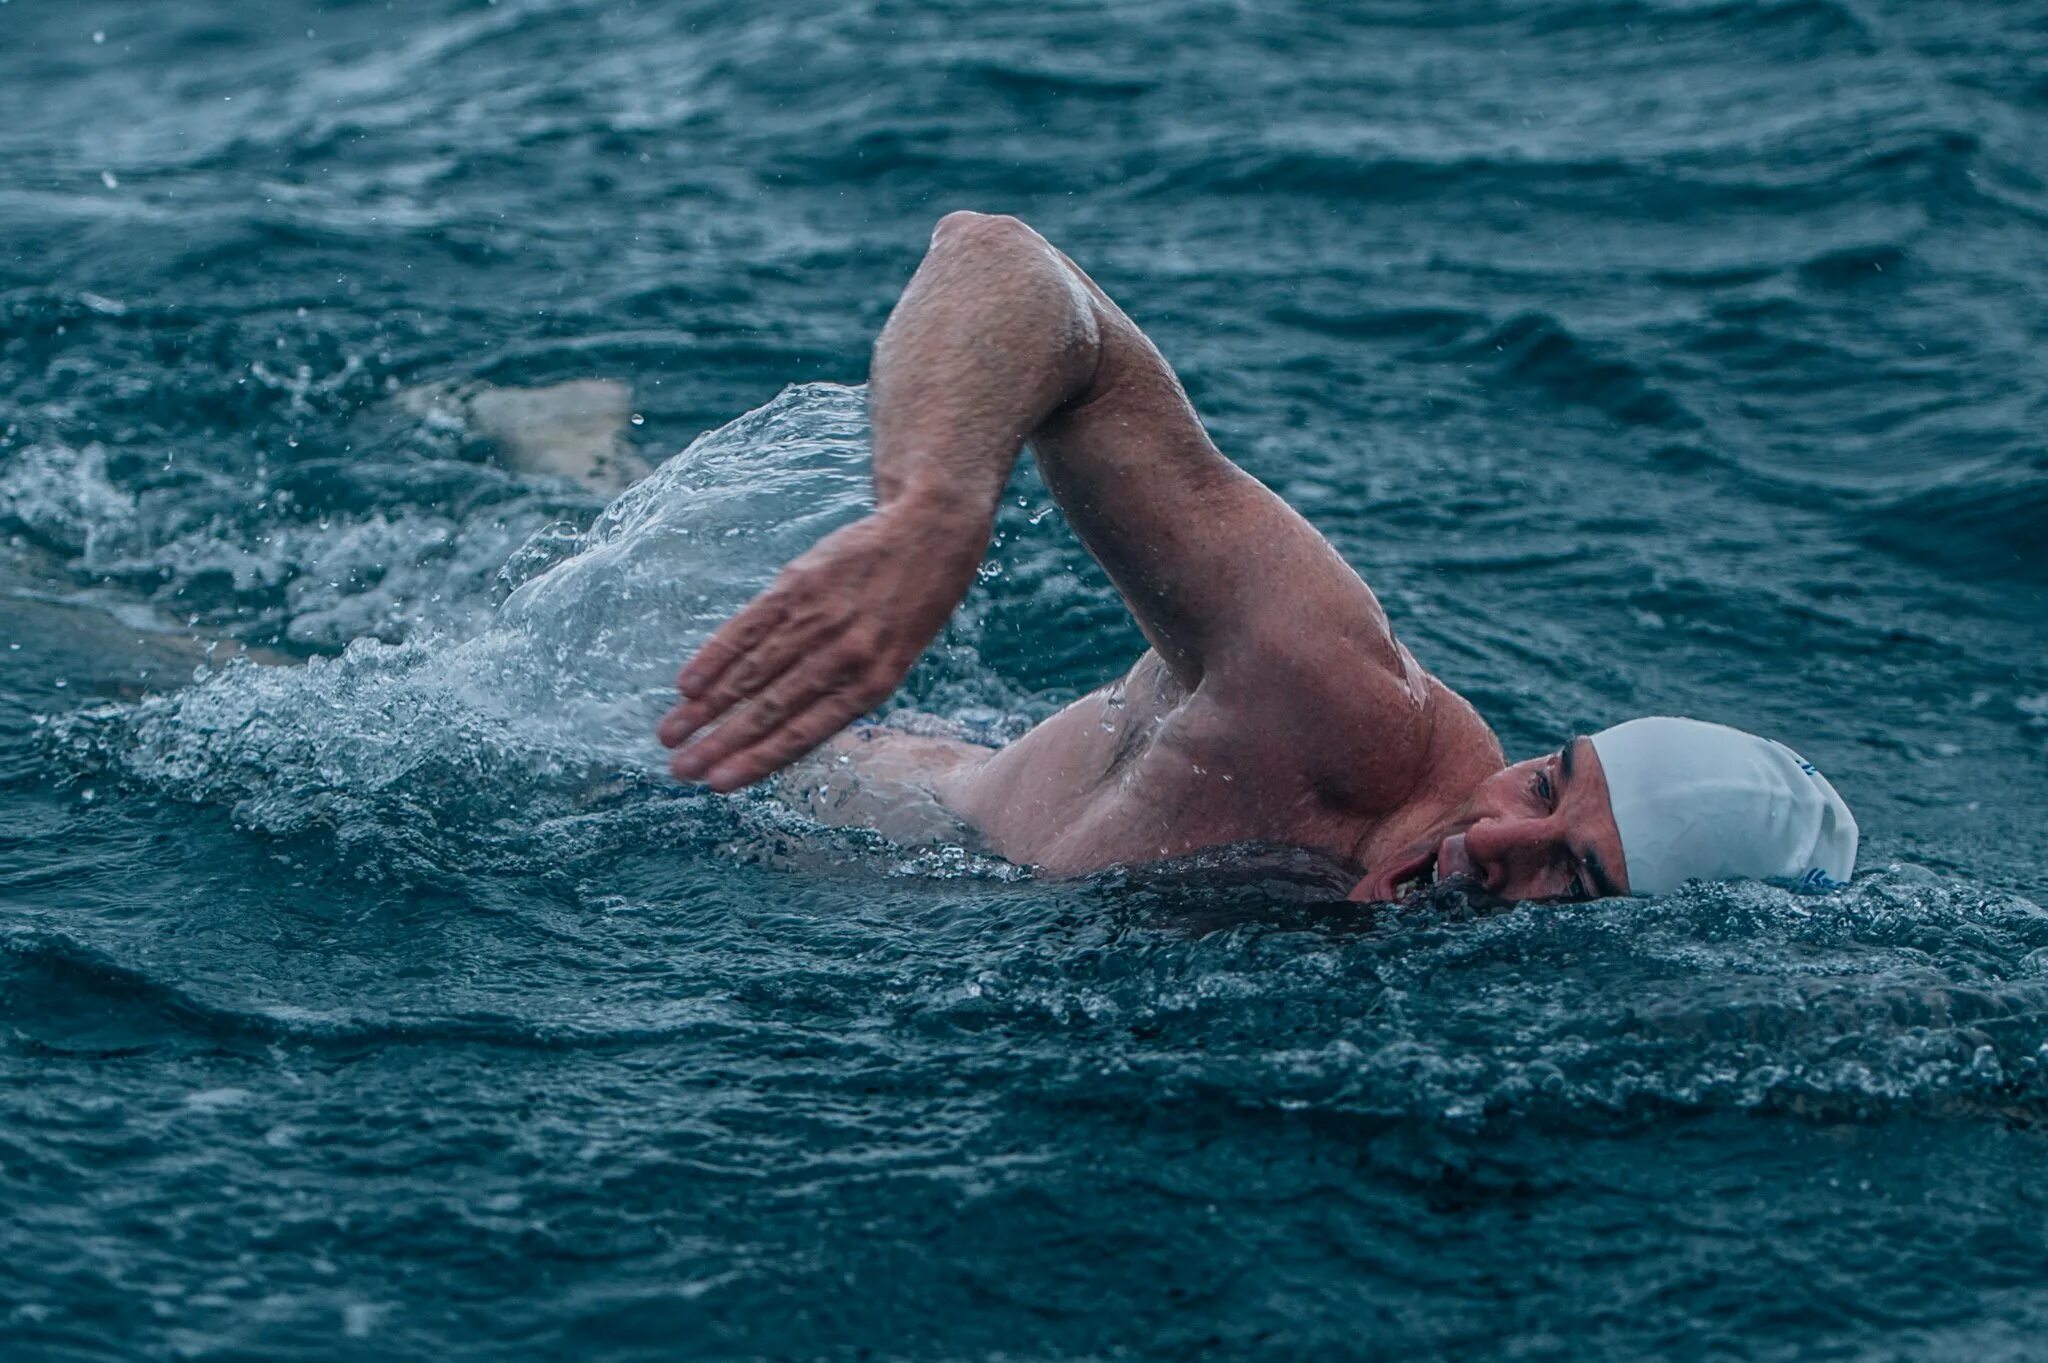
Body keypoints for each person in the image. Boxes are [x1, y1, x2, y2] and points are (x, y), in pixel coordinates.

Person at [654, 212, 1858, 903]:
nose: (1494, 841)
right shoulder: (1341, 710)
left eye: (1574, 877)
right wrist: (931, 512)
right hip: (699, 779)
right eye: (1543, 784)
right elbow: (1001, 264)